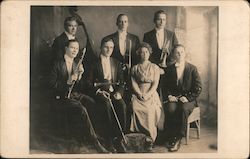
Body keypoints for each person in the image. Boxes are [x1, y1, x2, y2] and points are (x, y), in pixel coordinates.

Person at [48, 39, 108, 153]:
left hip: (74, 95)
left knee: (92, 103)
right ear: (66, 49)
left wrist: (80, 75)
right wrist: (68, 81)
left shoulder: (76, 63)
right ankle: (95, 142)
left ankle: (87, 136)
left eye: (77, 48)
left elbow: (79, 87)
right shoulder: (57, 63)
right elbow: (51, 84)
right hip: (61, 97)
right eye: (72, 48)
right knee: (81, 109)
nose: (75, 50)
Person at [86, 38, 127, 153]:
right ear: (101, 47)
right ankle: (108, 139)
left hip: (114, 92)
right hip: (100, 93)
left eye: (111, 47)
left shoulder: (116, 63)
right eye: (106, 47)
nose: (109, 50)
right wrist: (98, 91)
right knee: (106, 104)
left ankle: (119, 139)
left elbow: (121, 82)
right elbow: (88, 82)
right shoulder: (93, 63)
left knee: (122, 105)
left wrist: (119, 93)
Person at [161, 44, 202, 152]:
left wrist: (188, 98)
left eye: (182, 52)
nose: (179, 55)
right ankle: (170, 135)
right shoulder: (169, 69)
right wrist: (169, 96)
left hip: (188, 99)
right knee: (170, 108)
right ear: (174, 54)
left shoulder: (192, 68)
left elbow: (198, 88)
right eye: (177, 53)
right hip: (174, 97)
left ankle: (178, 137)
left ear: (185, 53)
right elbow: (164, 86)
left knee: (183, 108)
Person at [130, 42, 162, 151]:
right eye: (142, 52)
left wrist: (148, 94)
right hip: (138, 93)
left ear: (149, 53)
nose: (144, 54)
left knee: (149, 110)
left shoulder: (154, 67)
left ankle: (150, 139)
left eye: (146, 52)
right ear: (139, 53)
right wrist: (139, 93)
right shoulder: (135, 68)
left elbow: (155, 83)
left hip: (151, 94)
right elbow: (133, 82)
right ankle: (139, 137)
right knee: (134, 108)